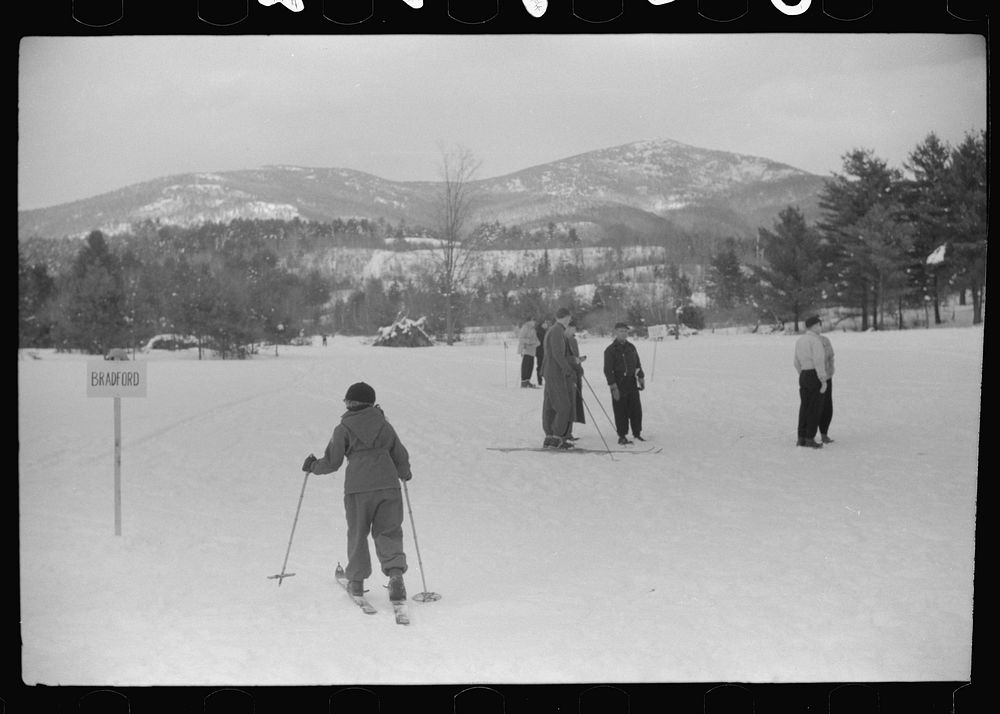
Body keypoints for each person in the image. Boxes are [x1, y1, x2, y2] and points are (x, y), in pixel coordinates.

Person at [301, 382, 412, 600]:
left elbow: (332, 462)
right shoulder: (384, 425)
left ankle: (357, 582)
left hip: (358, 488)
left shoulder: (343, 428)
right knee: (388, 531)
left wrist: (313, 466)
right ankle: (396, 575)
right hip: (388, 485)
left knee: (358, 532)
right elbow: (399, 453)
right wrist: (404, 471)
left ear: (352, 403)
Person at [603, 322, 645, 445]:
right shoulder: (610, 350)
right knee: (621, 410)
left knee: (636, 409)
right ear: (615, 332)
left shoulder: (631, 347)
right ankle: (622, 435)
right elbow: (607, 370)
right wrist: (612, 385)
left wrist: (641, 377)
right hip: (618, 382)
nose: (624, 333)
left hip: (631, 381)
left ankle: (637, 433)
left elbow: (637, 364)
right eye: (621, 331)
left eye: (626, 331)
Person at [540, 308, 576, 448]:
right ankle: (557, 437)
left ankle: (549, 436)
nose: (570, 321)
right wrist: (568, 369)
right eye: (569, 318)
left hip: (550, 371)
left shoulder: (552, 329)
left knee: (550, 405)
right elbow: (557, 354)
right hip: (555, 373)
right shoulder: (557, 330)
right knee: (563, 406)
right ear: (566, 317)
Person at [793, 316, 829, 448]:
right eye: (820, 325)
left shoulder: (800, 340)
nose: (821, 328)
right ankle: (810, 438)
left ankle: (800, 438)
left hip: (803, 374)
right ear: (814, 326)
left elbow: (795, 361)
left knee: (804, 406)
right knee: (815, 407)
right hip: (814, 374)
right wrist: (822, 379)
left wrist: (802, 373)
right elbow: (819, 361)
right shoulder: (815, 341)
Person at [565, 318, 586, 440]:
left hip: (575, 373)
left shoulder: (573, 340)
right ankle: (565, 432)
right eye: (573, 328)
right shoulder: (564, 340)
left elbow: (575, 357)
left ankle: (569, 431)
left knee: (574, 403)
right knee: (568, 403)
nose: (574, 330)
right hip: (568, 375)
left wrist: (579, 366)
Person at [818, 329, 835, 444]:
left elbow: (831, 357)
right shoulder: (807, 340)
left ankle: (824, 434)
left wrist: (830, 371)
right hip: (814, 377)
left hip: (827, 377)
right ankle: (807, 435)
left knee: (827, 406)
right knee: (814, 406)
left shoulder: (825, 340)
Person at [516, 317, 540, 388]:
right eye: (533, 321)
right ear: (530, 321)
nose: (535, 322)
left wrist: (538, 343)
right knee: (525, 366)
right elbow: (520, 338)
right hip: (526, 349)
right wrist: (529, 342)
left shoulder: (533, 329)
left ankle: (527, 381)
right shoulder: (525, 327)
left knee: (530, 366)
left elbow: (535, 339)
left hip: (532, 350)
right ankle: (523, 382)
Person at [535, 317, 551, 387]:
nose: (546, 324)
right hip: (540, 351)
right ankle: (540, 380)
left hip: (544, 351)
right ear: (542, 324)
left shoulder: (544, 330)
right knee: (540, 366)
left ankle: (545, 379)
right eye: (545, 323)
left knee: (545, 366)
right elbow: (540, 341)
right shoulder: (539, 331)